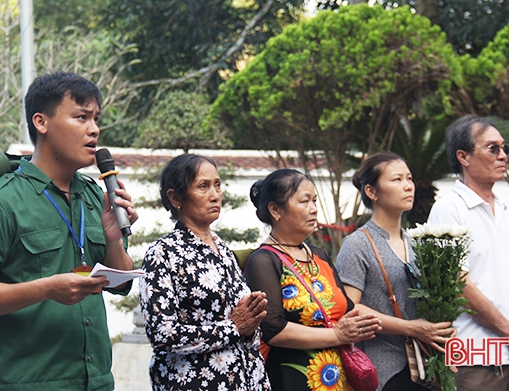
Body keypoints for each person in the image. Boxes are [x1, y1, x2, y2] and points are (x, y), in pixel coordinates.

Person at [0, 72, 138, 391]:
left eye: (96, 119)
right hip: (28, 383)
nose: (94, 129)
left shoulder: (95, 196)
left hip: (98, 384)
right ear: (41, 122)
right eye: (81, 117)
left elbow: (119, 284)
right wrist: (46, 289)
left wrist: (112, 240)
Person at [139, 153, 271, 391]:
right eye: (203, 186)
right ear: (175, 197)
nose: (215, 195)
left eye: (217, 185)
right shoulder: (163, 253)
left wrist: (251, 324)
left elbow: (243, 327)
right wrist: (233, 327)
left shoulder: (224, 250)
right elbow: (163, 335)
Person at [245, 168, 382, 391]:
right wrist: (337, 334)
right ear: (275, 210)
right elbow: (273, 330)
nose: (314, 209)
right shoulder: (263, 260)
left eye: (315, 201)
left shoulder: (319, 256)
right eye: (304, 201)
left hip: (342, 377)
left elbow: (346, 308)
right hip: (295, 378)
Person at [427, 114, 509, 390]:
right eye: (492, 148)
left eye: (504, 148)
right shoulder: (448, 208)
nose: (503, 156)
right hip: (474, 359)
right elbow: (456, 282)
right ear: (463, 157)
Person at [335, 152, 455, 390]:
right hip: (384, 368)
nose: (408, 186)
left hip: (422, 365)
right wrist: (412, 328)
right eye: (397, 179)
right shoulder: (358, 243)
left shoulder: (415, 242)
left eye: (409, 178)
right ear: (372, 191)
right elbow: (351, 308)